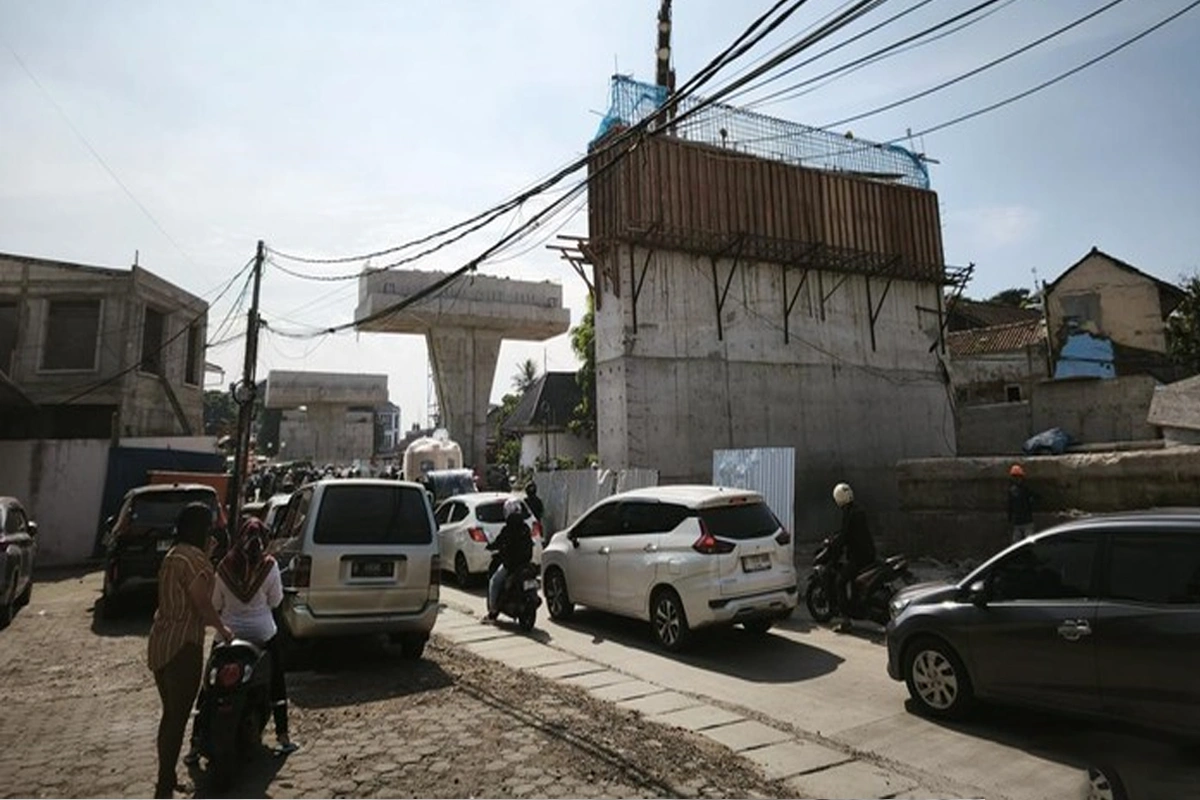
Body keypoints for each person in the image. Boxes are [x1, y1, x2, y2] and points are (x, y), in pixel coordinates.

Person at [186, 518, 298, 763]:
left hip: (228, 635)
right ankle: (283, 736)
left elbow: (216, 604)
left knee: (208, 687)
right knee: (277, 681)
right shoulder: (269, 567)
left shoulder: (224, 567)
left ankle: (194, 743)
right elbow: (276, 601)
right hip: (262, 634)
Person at [147, 503, 234, 799]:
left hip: (161, 641)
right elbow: (202, 603)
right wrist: (222, 629)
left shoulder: (174, 555)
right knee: (177, 718)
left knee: (169, 715)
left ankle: (167, 776)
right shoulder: (196, 561)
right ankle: (163, 785)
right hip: (184, 644)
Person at [828, 482, 876, 633]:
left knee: (840, 582)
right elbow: (847, 533)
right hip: (869, 553)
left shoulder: (849, 514)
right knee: (854, 582)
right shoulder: (858, 510)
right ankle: (856, 606)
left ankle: (846, 620)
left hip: (859, 557)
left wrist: (834, 555)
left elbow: (844, 537)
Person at [484, 498, 534, 622]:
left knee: (494, 581)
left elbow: (499, 542)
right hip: (526, 563)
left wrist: (491, 546)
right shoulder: (525, 527)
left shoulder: (508, 529)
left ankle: (492, 611)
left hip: (511, 565)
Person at [1007, 464, 1036, 543]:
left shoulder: (1026, 489)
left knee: (1028, 542)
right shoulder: (1012, 490)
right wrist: (1010, 519)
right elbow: (1010, 506)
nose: (1017, 479)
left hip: (1027, 521)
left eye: (1018, 477)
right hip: (1018, 522)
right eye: (1015, 477)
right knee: (1016, 543)